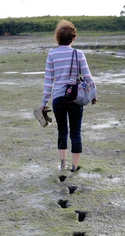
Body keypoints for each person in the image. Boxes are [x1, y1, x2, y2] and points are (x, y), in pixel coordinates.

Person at [41, 20, 97, 172]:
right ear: (73, 38)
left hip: (58, 98)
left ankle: (62, 164)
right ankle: (74, 167)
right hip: (75, 98)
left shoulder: (52, 54)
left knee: (62, 131)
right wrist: (93, 95)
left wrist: (44, 102)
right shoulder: (78, 54)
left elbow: (48, 81)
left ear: (58, 38)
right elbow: (88, 77)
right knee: (75, 133)